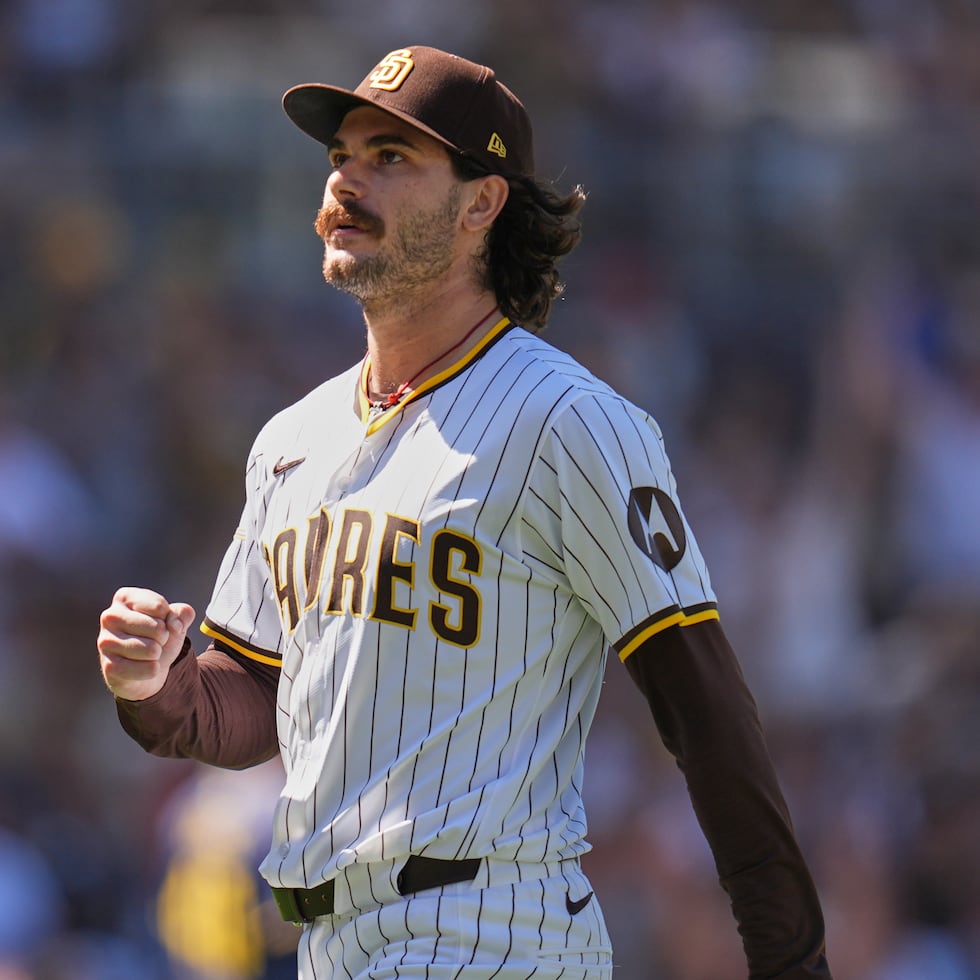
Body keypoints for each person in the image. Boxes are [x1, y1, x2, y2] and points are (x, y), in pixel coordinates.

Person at [97, 45, 832, 979]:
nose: (348, 180)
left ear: (482, 202)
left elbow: (706, 709)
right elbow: (248, 703)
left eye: (391, 158)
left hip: (493, 929)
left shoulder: (568, 421)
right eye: (342, 156)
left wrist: (791, 959)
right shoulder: (292, 437)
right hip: (327, 943)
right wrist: (153, 685)